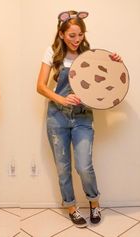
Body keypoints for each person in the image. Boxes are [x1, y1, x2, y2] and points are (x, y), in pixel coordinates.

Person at [37, 10, 122, 228]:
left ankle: (94, 202)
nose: (77, 40)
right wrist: (62, 99)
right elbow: (40, 86)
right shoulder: (51, 53)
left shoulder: (90, 54)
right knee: (63, 167)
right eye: (72, 35)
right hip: (57, 118)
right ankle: (72, 208)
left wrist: (115, 62)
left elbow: (108, 82)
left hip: (83, 117)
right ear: (61, 33)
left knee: (84, 166)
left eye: (80, 35)